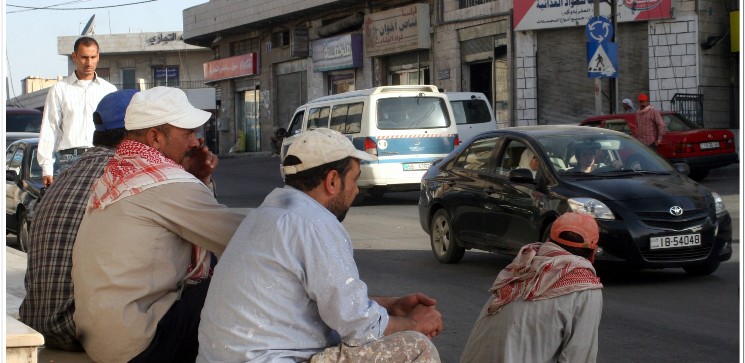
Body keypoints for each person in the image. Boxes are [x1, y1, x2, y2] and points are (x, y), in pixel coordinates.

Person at [197, 128, 443, 363]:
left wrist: (390, 306)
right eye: (354, 180)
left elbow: (325, 300)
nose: (356, 190)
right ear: (333, 181)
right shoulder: (313, 222)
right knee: (415, 347)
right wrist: (415, 324)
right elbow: (359, 328)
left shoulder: (268, 214)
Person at [71, 87, 245, 363]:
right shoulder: (167, 182)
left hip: (105, 340)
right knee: (239, 277)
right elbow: (243, 238)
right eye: (186, 133)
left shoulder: (123, 171)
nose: (195, 142)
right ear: (155, 137)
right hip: (139, 344)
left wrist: (200, 179)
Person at [19, 89, 137, 351]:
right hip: (79, 329)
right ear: (140, 133)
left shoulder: (70, 172)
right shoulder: (129, 173)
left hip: (39, 322)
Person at [460, 212, 603, 363]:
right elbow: (579, 356)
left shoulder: (521, 265)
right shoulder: (584, 287)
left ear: (549, 240)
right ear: (593, 252)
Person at [38, 36, 117, 187]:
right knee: (72, 208)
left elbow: (115, 127)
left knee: (102, 208)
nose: (89, 62)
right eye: (84, 57)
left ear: (98, 56)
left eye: (93, 57)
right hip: (70, 158)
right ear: (74, 57)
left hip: (103, 156)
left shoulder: (109, 90)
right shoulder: (59, 90)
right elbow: (50, 127)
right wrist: (46, 167)